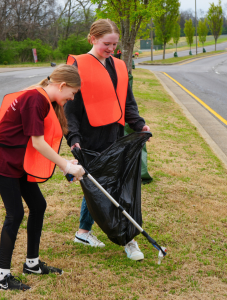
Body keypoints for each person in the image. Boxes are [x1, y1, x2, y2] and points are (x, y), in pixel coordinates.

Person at [0, 64, 85, 291]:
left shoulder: (45, 100)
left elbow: (41, 142)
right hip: (5, 161)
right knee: (15, 213)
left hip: (20, 161)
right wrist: (66, 166)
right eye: (73, 93)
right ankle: (1, 278)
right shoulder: (35, 99)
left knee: (38, 205)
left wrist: (64, 164)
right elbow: (37, 142)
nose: (72, 98)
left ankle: (32, 264)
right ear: (62, 85)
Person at [65, 19, 151, 261]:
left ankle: (85, 232)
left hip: (115, 135)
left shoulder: (120, 66)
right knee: (101, 186)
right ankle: (128, 239)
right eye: (106, 44)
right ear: (92, 38)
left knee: (106, 184)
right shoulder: (78, 66)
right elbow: (70, 109)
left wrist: (138, 124)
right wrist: (73, 138)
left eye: (114, 44)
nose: (111, 48)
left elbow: (127, 101)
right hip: (89, 139)